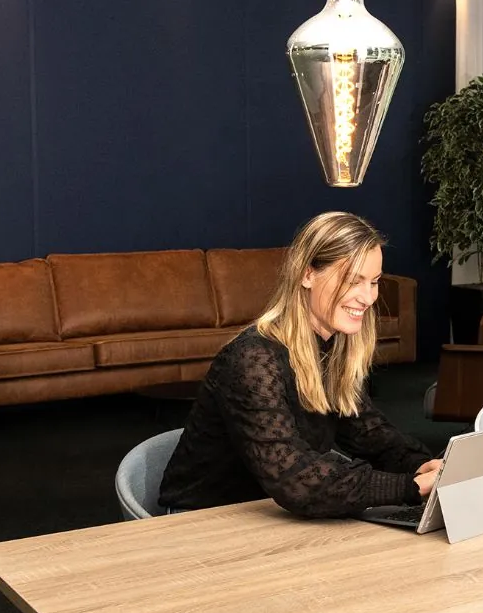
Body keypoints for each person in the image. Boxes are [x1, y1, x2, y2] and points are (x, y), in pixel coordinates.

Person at [159, 211, 439, 515]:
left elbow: (366, 432)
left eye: (374, 282)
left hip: (268, 512)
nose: (368, 297)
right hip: (203, 521)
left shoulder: (333, 349)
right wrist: (412, 487)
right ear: (308, 274)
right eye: (352, 281)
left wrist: (422, 465)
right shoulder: (252, 360)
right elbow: (299, 481)